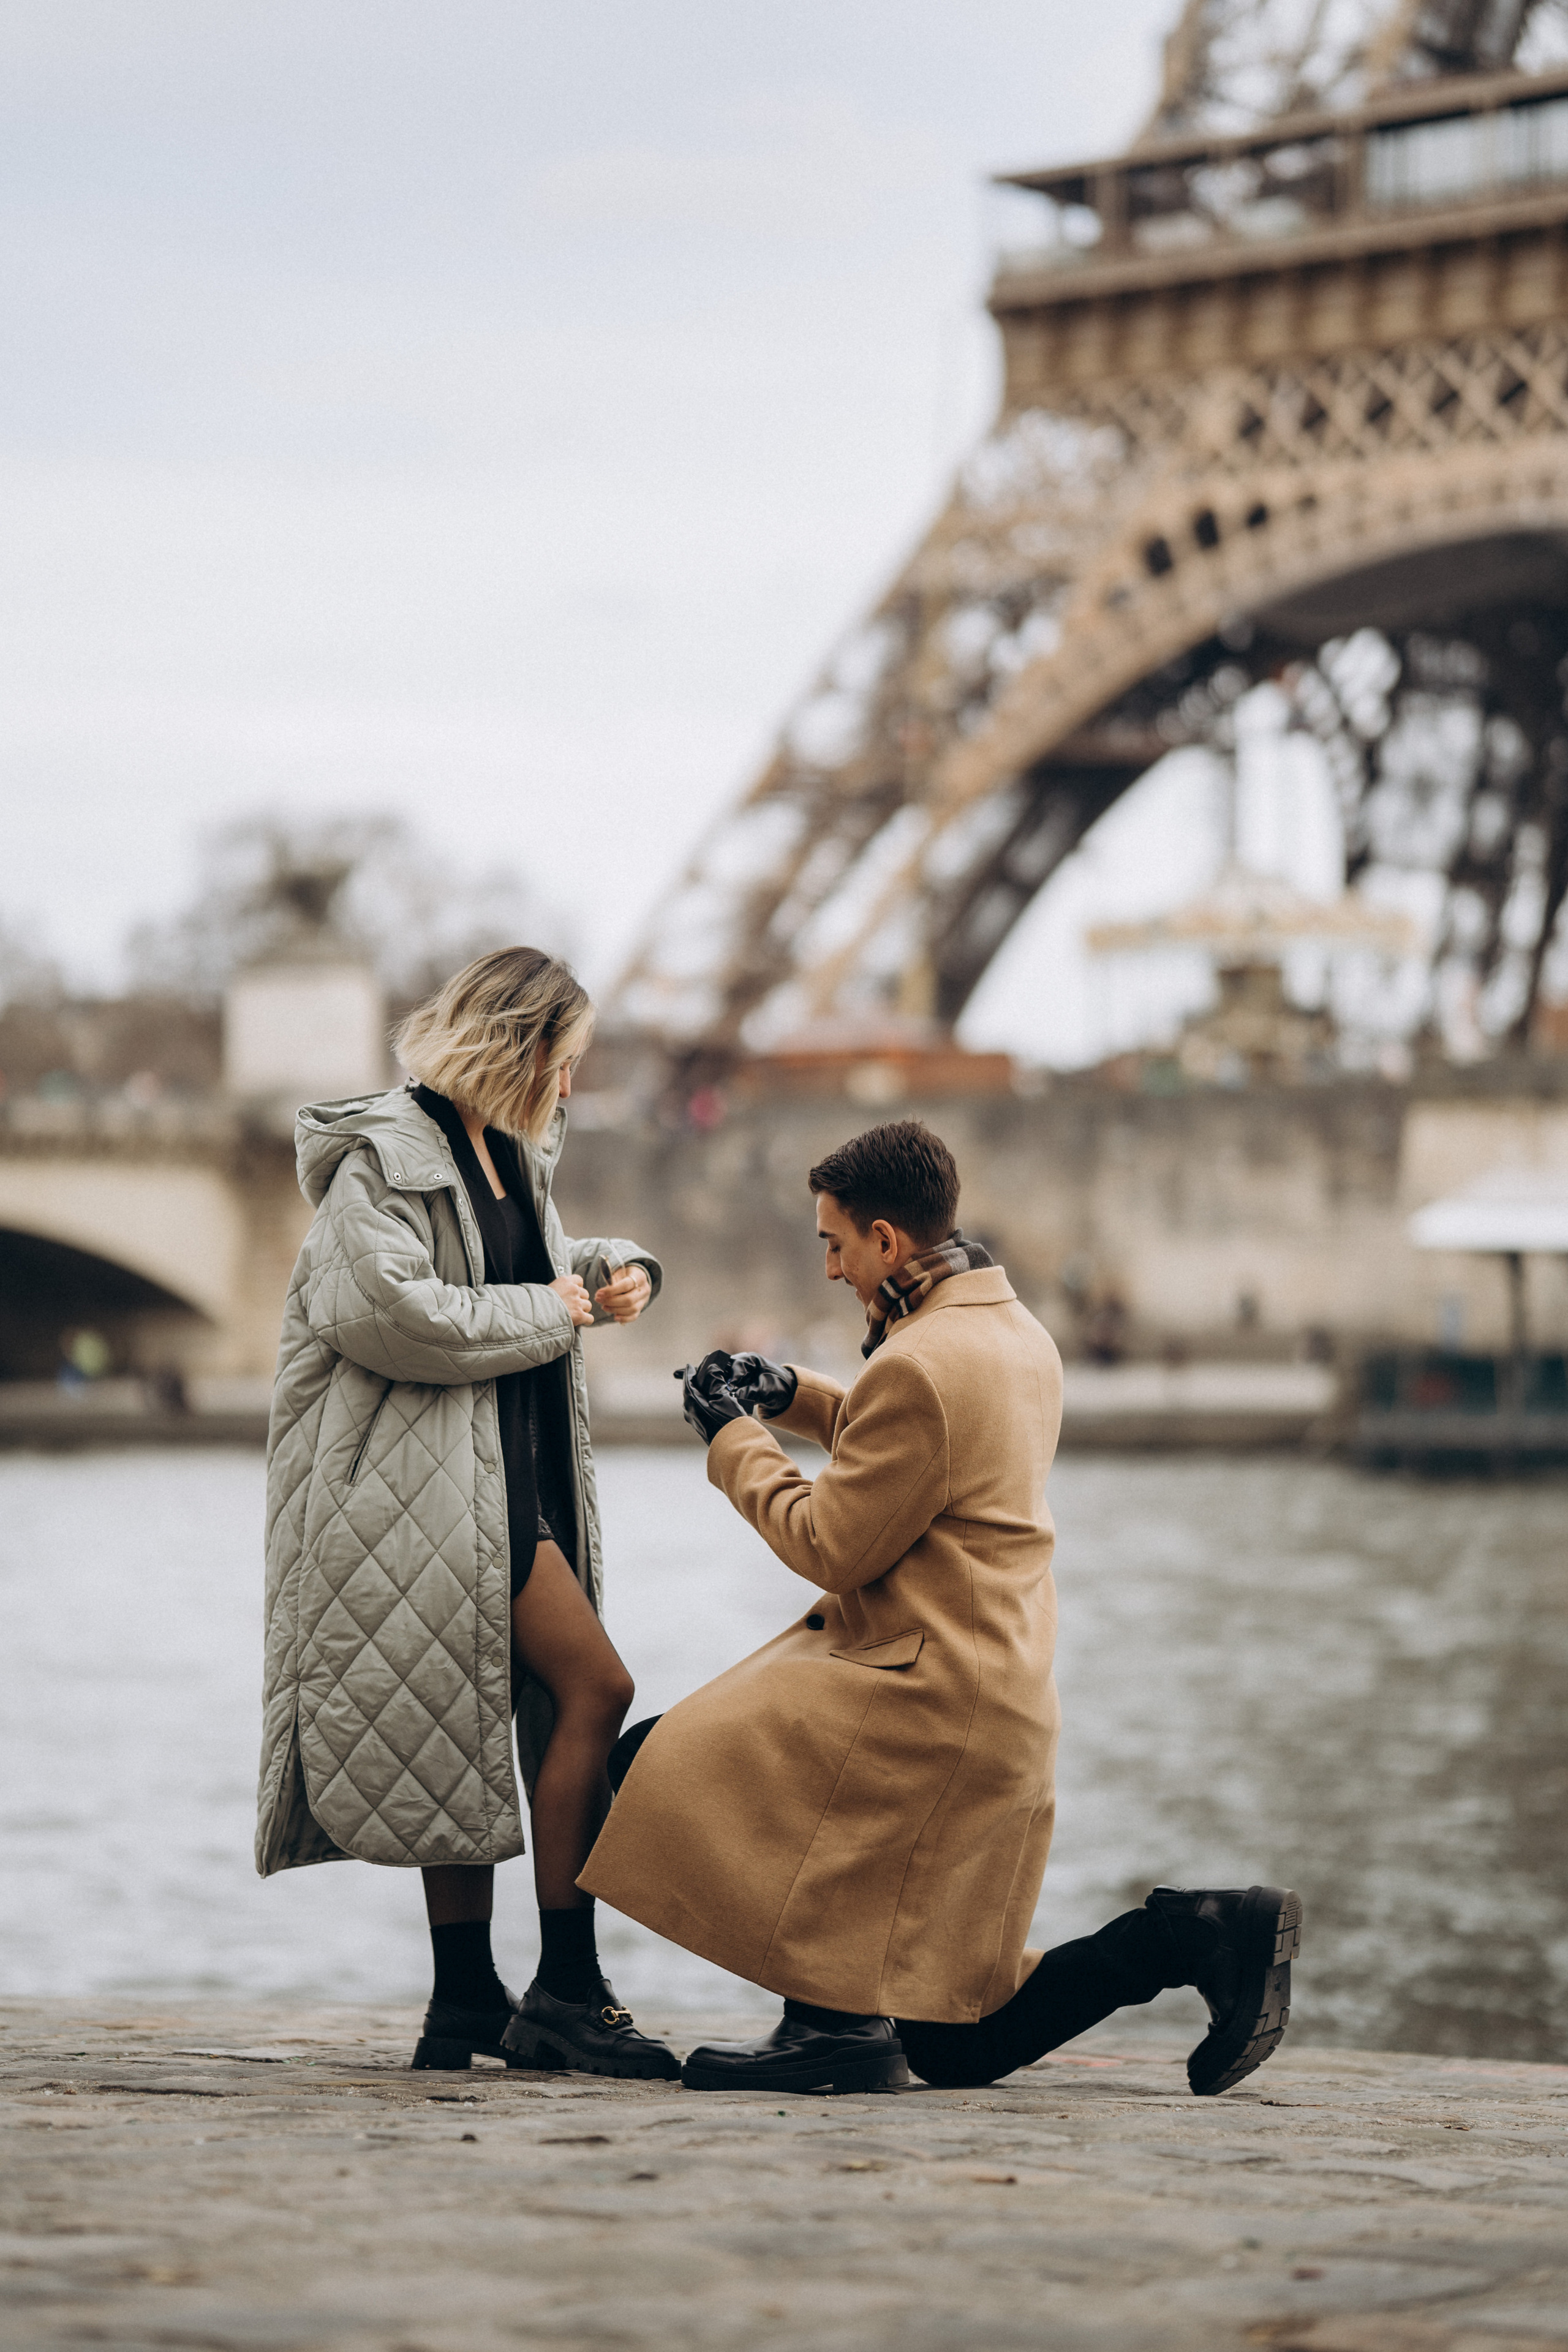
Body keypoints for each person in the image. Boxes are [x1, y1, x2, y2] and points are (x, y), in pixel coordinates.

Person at [582, 1118, 1300, 2097]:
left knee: (656, 1762)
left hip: (919, 1707)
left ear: (887, 1240)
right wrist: (790, 1395)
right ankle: (1195, 1936)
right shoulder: (1012, 1332)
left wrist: (730, 1440)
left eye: (835, 1244)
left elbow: (832, 1541)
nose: (830, 1269)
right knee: (957, 2048)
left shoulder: (922, 1361)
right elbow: (920, 1445)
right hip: (999, 1702)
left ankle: (832, 2024)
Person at [256, 946, 679, 2082]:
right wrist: (564, 1305)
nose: (574, 1087)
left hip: (504, 1478)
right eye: (571, 1061)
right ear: (525, 1049)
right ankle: (566, 1992)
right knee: (596, 1688)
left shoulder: (508, 1153)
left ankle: (462, 2002)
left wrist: (613, 1267)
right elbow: (396, 1314)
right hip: (424, 1497)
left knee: (467, 1726)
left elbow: (520, 1271)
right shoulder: (385, 1160)